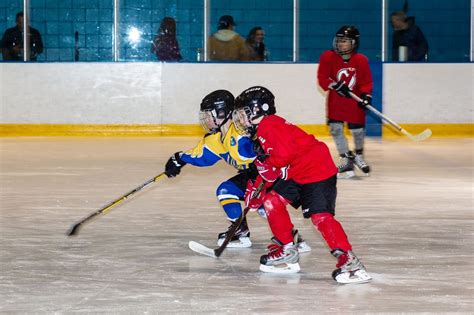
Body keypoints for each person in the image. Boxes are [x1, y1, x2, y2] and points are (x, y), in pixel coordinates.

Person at [233, 86, 371, 284]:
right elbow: (274, 165)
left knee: (320, 217)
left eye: (244, 113)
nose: (241, 119)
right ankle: (288, 249)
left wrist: (266, 165)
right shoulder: (266, 127)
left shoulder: (268, 125)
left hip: (317, 170)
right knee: (272, 201)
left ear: (259, 109)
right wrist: (258, 187)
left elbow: (282, 158)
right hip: (299, 171)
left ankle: (350, 260)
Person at [164, 89, 310, 251]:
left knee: (266, 206)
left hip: (271, 176)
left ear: (221, 113)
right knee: (225, 191)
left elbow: (272, 152)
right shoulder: (217, 138)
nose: (206, 120)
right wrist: (180, 158)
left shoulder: (244, 132)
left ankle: (291, 238)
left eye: (208, 115)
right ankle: (240, 231)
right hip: (253, 176)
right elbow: (203, 156)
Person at [317, 25, 373, 179]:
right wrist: (334, 85)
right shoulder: (328, 57)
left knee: (357, 131)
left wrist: (366, 96)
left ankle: (358, 155)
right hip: (336, 102)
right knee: (335, 128)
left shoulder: (361, 60)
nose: (341, 44)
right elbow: (322, 77)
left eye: (345, 41)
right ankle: (345, 158)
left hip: (354, 102)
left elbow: (366, 82)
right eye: (339, 40)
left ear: (354, 43)